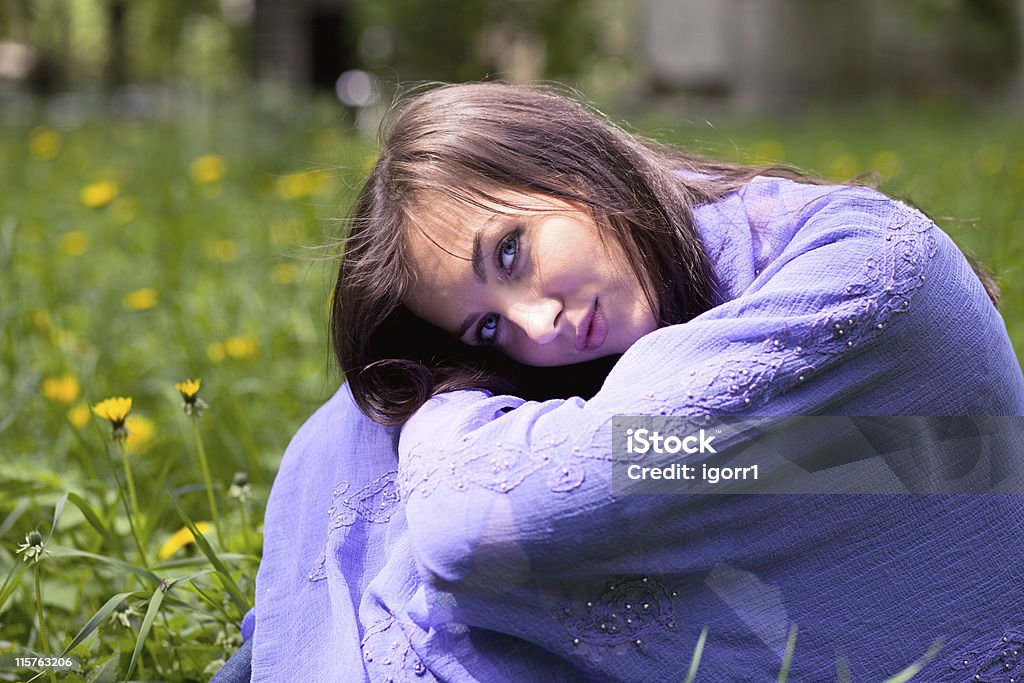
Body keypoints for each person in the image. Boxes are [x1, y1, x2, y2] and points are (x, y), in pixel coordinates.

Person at [235, 83, 1024, 682]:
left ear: (571, 166)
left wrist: (443, 415)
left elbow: (476, 518)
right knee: (369, 416)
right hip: (831, 455)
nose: (535, 326)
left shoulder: (858, 261)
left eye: (510, 253)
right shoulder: (629, 339)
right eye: (487, 327)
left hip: (898, 477)